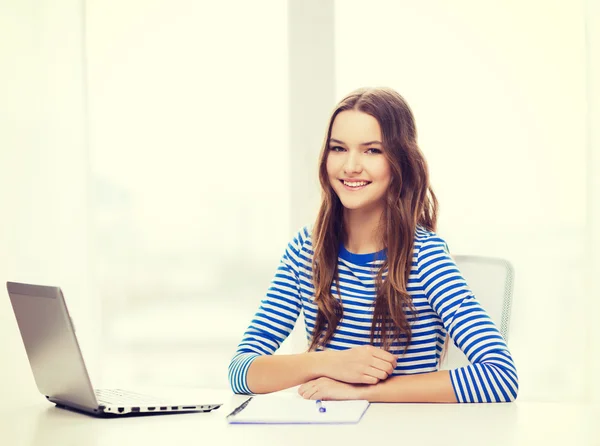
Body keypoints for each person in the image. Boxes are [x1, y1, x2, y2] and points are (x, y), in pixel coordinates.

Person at [227, 87, 518, 403]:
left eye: (372, 151)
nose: (351, 166)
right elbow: (241, 372)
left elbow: (501, 377)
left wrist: (364, 392)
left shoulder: (425, 257)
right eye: (338, 148)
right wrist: (329, 363)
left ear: (400, 163)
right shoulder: (304, 251)